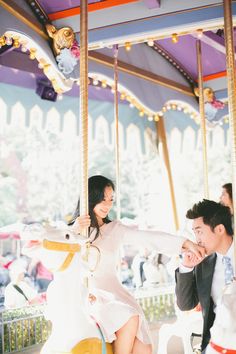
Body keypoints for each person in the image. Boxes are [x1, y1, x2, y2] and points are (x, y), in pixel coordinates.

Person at [70, 175, 205, 354]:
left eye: (111, 199)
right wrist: (73, 231)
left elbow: (148, 238)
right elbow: (61, 260)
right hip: (91, 295)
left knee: (144, 348)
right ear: (90, 198)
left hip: (115, 294)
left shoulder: (114, 229)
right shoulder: (71, 231)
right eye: (102, 199)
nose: (108, 205)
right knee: (130, 316)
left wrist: (184, 243)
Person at [175, 199, 235, 353]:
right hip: (218, 343)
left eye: (200, 231)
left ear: (220, 229)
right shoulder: (204, 264)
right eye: (195, 233)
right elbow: (185, 304)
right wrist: (187, 268)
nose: (197, 240)